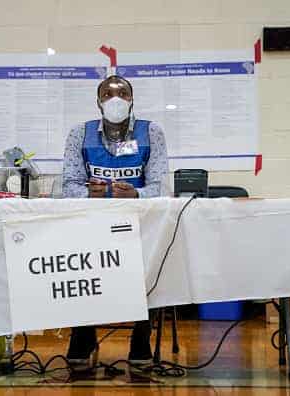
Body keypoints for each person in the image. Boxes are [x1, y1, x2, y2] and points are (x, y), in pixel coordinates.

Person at [62, 75, 169, 366]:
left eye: (122, 93)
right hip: (92, 223)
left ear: (132, 100)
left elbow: (160, 187)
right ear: (98, 102)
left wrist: (136, 193)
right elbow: (68, 185)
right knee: (79, 264)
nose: (115, 99)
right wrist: (87, 193)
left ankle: (141, 336)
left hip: (139, 223)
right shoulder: (79, 134)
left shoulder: (152, 132)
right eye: (107, 94)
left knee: (152, 262)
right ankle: (82, 332)